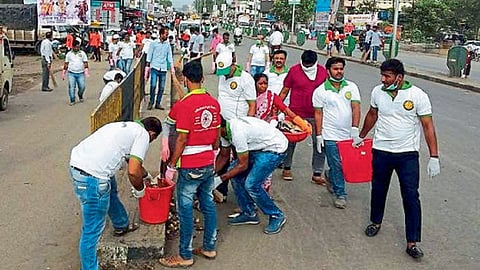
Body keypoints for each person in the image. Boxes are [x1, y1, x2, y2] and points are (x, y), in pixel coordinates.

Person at [358, 59, 440, 259]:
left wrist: (434, 156)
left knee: (411, 196)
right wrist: (360, 136)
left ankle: (412, 242)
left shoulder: (417, 95)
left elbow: (427, 126)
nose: (383, 79)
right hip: (381, 150)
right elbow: (372, 114)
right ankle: (375, 222)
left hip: (407, 155)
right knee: (378, 189)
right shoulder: (378, 92)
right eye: (382, 75)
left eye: (387, 76)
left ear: (399, 77)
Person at [69, 117, 162, 270]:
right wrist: (140, 190)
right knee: (92, 230)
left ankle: (121, 223)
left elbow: (133, 163)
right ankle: (90, 267)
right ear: (152, 134)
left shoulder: (125, 127)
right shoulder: (143, 135)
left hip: (79, 164)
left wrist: (146, 177)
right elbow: (132, 171)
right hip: (93, 178)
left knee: (110, 191)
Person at [159, 61, 221, 268]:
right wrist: (213, 153)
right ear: (202, 78)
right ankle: (209, 247)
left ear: (185, 79)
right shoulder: (213, 103)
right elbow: (217, 137)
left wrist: (171, 164)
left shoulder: (184, 105)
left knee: (185, 209)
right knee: (208, 204)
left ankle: (185, 254)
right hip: (208, 162)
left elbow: (182, 139)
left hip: (191, 164)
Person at [215, 116, 288, 234]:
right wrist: (212, 175)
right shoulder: (224, 132)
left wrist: (220, 179)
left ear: (219, 128)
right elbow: (224, 156)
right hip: (259, 147)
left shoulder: (237, 133)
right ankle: (249, 212)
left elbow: (242, 165)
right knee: (234, 173)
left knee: (252, 184)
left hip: (274, 149)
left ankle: (276, 215)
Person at [312, 57, 361, 209]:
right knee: (338, 164)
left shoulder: (351, 87)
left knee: (344, 165)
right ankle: (341, 194)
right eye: (335, 69)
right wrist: (319, 135)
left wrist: (355, 129)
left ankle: (331, 175)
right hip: (330, 134)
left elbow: (356, 108)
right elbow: (318, 114)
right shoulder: (320, 91)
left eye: (341, 68)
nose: (339, 72)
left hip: (347, 135)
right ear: (328, 71)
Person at [279, 50, 328, 183]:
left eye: (309, 65)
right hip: (296, 114)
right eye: (304, 65)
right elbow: (284, 91)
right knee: (290, 142)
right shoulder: (294, 71)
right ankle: (286, 167)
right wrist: (276, 106)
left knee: (319, 143)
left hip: (316, 115)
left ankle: (317, 172)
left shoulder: (323, 72)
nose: (306, 67)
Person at [214, 52, 257, 202]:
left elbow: (252, 105)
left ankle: (245, 198)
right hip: (224, 127)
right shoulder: (221, 75)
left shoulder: (246, 79)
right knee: (223, 156)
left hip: (239, 129)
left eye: (226, 72)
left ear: (233, 64)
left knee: (241, 162)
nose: (224, 76)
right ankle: (219, 189)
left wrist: (248, 127)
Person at [144, 27, 174, 110]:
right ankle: (151, 101)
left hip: (163, 68)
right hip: (154, 67)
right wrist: (147, 66)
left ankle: (158, 103)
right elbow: (149, 54)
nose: (167, 36)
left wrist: (172, 67)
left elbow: (169, 56)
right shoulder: (154, 43)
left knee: (161, 87)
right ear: (161, 34)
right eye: (165, 34)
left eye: (167, 34)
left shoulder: (167, 44)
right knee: (153, 85)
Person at [62, 40, 89, 105]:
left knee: (82, 86)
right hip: (71, 73)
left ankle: (80, 95)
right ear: (73, 47)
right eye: (75, 47)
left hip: (80, 73)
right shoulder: (69, 54)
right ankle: (72, 100)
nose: (77, 48)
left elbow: (85, 62)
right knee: (72, 87)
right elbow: (66, 63)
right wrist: (63, 72)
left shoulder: (82, 53)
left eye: (78, 47)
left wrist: (86, 71)